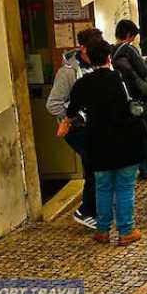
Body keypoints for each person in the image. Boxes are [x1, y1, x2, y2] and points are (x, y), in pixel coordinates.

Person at [66, 39, 145, 245]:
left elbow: (71, 111)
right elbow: (138, 96)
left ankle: (102, 231)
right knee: (125, 188)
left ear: (89, 59)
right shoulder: (120, 77)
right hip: (125, 141)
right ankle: (126, 231)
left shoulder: (83, 84)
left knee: (103, 188)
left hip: (97, 143)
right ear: (109, 57)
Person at [46, 27, 103, 229]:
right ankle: (86, 210)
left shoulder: (99, 64)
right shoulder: (67, 73)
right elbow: (53, 104)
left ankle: (94, 209)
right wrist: (73, 117)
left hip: (95, 127)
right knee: (95, 165)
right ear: (83, 48)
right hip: (76, 129)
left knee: (95, 166)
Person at [112, 19, 147, 180]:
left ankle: (143, 168)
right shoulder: (129, 49)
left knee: (140, 133)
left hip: (131, 98)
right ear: (129, 35)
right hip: (146, 94)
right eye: (134, 36)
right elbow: (144, 71)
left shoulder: (112, 51)